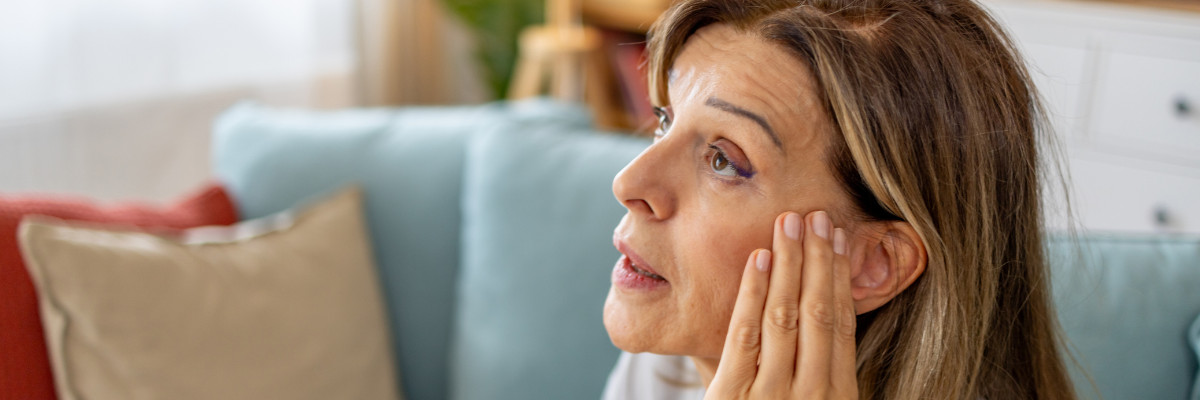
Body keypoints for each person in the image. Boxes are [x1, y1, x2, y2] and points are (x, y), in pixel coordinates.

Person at [601, 0, 1078, 399]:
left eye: (723, 161)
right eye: (665, 119)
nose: (629, 183)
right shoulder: (673, 364)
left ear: (875, 263)